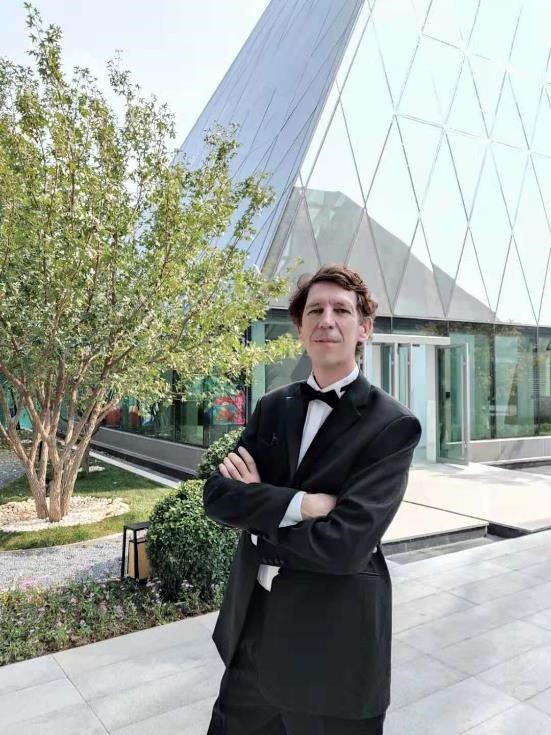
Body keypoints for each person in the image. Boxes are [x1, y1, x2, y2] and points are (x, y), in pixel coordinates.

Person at [203, 264, 422, 734]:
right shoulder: (273, 406)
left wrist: (259, 502)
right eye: (315, 310)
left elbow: (345, 545)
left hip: (333, 653)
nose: (328, 319)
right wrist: (303, 505)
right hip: (252, 641)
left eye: (342, 310)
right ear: (300, 327)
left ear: (363, 327)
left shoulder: (392, 425)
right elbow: (217, 496)